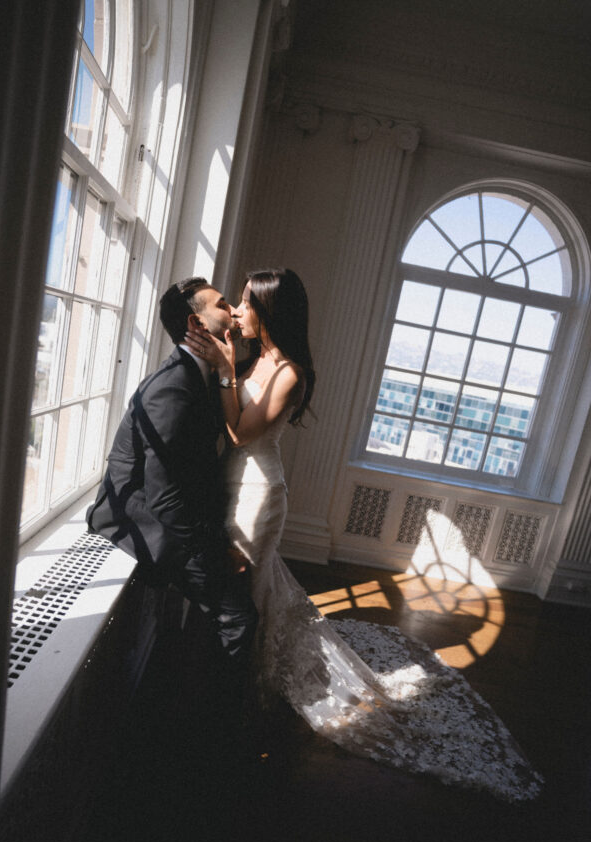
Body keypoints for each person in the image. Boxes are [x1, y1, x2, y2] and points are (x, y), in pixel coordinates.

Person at [184, 267, 543, 802]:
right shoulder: (256, 356)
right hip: (233, 482)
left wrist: (221, 369)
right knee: (253, 589)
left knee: (251, 592)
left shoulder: (291, 373)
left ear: (269, 310)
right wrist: (227, 352)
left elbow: (242, 430)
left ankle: (248, 695)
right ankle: (241, 683)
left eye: (244, 304)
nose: (236, 312)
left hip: (260, 493)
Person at [86, 277, 258, 725]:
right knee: (240, 617)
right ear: (194, 321)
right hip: (144, 525)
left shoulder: (198, 376)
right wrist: (217, 549)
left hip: (176, 517)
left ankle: (201, 706)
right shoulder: (173, 387)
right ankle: (215, 732)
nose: (234, 313)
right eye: (224, 305)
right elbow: (165, 498)